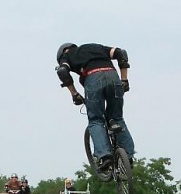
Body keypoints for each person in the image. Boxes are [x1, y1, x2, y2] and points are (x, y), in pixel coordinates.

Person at [56, 43, 135, 171]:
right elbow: (121, 53)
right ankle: (128, 157)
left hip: (93, 78)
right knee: (117, 118)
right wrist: (124, 79)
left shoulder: (67, 56)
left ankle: (105, 156)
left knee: (96, 120)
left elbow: (62, 71)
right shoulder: (95, 47)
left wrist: (74, 94)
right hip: (113, 77)